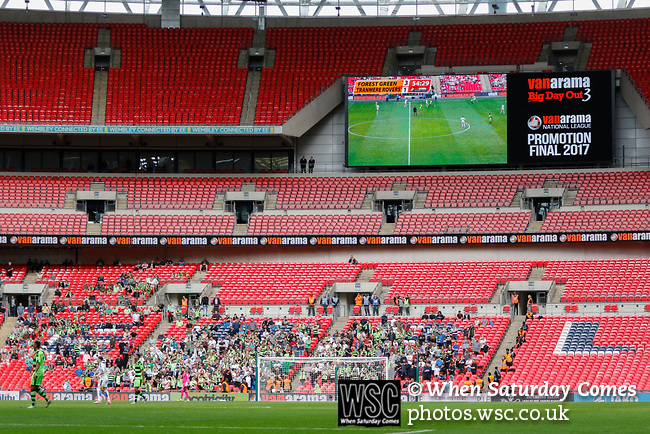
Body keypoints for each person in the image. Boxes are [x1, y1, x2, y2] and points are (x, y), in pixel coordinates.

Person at [28, 340, 53, 408]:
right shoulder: (39, 352)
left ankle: (33, 404)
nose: (32, 345)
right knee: (35, 388)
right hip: (39, 371)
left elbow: (38, 362)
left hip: (38, 371)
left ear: (36, 345)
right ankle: (47, 399)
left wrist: (35, 372)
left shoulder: (39, 352)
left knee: (33, 386)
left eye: (34, 344)